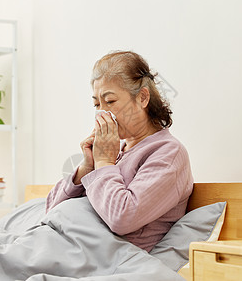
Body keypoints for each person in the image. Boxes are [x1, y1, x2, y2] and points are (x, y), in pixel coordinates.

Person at [45, 51, 194, 252]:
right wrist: (88, 166)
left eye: (110, 101)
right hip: (65, 245)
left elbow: (122, 218)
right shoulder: (116, 152)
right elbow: (50, 213)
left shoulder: (168, 153)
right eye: (97, 104)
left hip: (106, 257)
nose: (102, 112)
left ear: (142, 98)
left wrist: (105, 163)